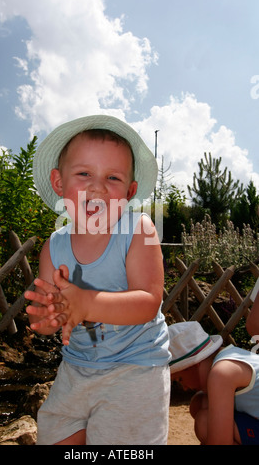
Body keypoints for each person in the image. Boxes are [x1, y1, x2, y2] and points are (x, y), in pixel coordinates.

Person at [25, 115, 171, 445]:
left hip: (135, 369)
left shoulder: (138, 231)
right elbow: (52, 315)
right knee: (54, 434)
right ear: (59, 183)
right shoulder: (54, 247)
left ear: (130, 191)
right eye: (84, 174)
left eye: (113, 177)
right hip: (76, 368)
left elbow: (148, 302)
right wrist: (47, 317)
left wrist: (86, 302)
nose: (98, 186)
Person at [168, 321, 259, 445]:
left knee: (204, 422)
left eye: (179, 379)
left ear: (194, 365)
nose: (184, 388)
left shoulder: (222, 373)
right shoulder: (229, 356)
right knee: (201, 402)